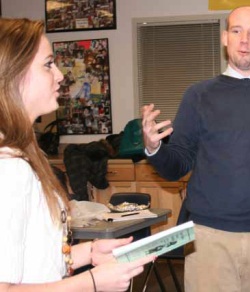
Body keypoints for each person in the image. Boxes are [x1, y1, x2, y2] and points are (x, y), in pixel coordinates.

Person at [141, 6, 250, 292]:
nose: (244, 40)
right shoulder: (198, 95)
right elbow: (177, 166)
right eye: (236, 31)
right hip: (208, 237)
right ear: (225, 37)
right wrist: (154, 148)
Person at [0, 18, 155, 291]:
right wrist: (92, 282)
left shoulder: (25, 154)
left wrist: (90, 252)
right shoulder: (10, 169)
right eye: (48, 65)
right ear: (14, 74)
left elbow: (33, 261)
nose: (60, 75)